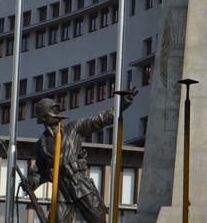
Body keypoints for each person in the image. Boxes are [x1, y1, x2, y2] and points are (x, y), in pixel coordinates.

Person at [26, 94, 132, 223]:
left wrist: (119, 108)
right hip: (62, 191)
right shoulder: (40, 145)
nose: (57, 112)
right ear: (44, 117)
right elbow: (40, 171)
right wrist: (32, 182)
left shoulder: (73, 128)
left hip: (80, 184)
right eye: (53, 110)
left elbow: (98, 121)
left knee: (98, 220)